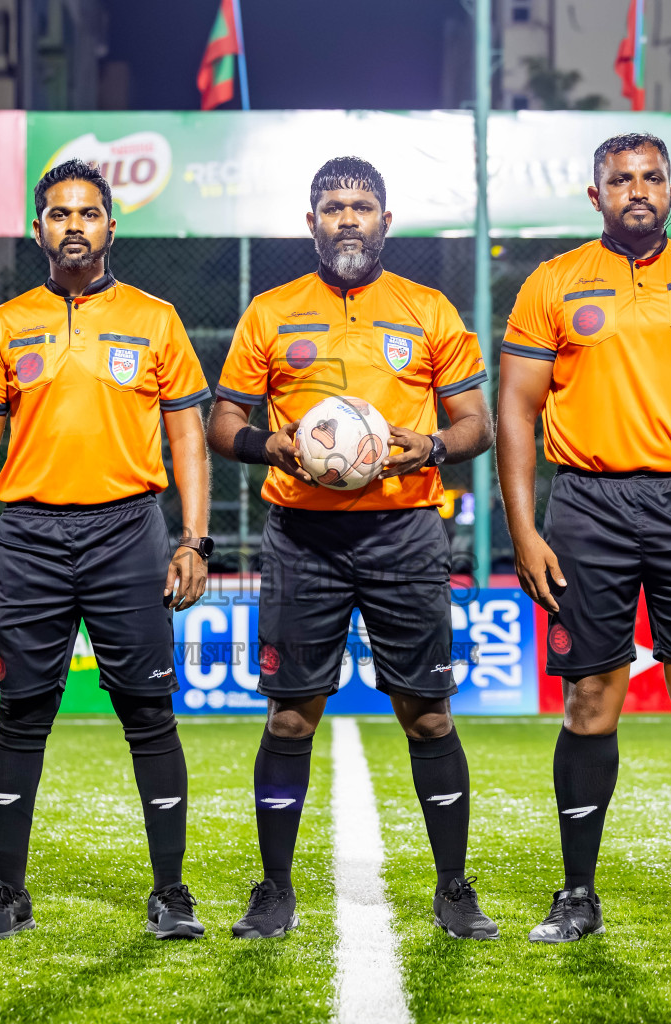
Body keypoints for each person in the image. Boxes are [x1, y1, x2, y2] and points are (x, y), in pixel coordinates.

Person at [498, 133, 671, 945]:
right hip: (585, 505)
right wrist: (524, 527)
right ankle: (577, 895)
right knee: (590, 699)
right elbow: (516, 410)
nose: (638, 189)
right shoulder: (553, 284)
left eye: (652, 177)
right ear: (595, 195)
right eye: (620, 178)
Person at [206, 157, 497, 940]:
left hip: (404, 532)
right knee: (291, 719)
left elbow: (478, 425)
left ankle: (454, 888)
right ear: (310, 222)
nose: (347, 219)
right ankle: (273, 890)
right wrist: (272, 445)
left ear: (385, 222)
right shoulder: (270, 311)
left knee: (428, 716)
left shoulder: (428, 310)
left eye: (362, 206)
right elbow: (220, 421)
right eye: (333, 206)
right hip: (302, 534)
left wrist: (429, 445)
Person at [0, 160, 212, 940]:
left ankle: (171, 892)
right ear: (37, 229)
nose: (74, 225)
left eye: (88, 213)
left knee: (147, 713)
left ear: (109, 227)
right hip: (28, 535)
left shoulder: (156, 319)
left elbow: (188, 436)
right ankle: (7, 892)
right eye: (59, 213)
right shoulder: (5, 323)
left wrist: (195, 539)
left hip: (129, 531)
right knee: (22, 713)